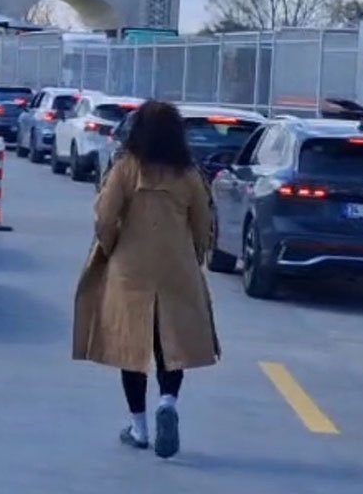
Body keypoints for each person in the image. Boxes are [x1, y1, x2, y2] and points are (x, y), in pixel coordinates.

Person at [73, 100, 219, 460]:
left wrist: (110, 248)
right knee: (172, 345)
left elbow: (104, 217)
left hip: (130, 270)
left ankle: (138, 428)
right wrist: (193, 255)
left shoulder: (126, 168)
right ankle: (167, 402)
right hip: (176, 269)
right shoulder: (189, 174)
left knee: (131, 348)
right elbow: (203, 224)